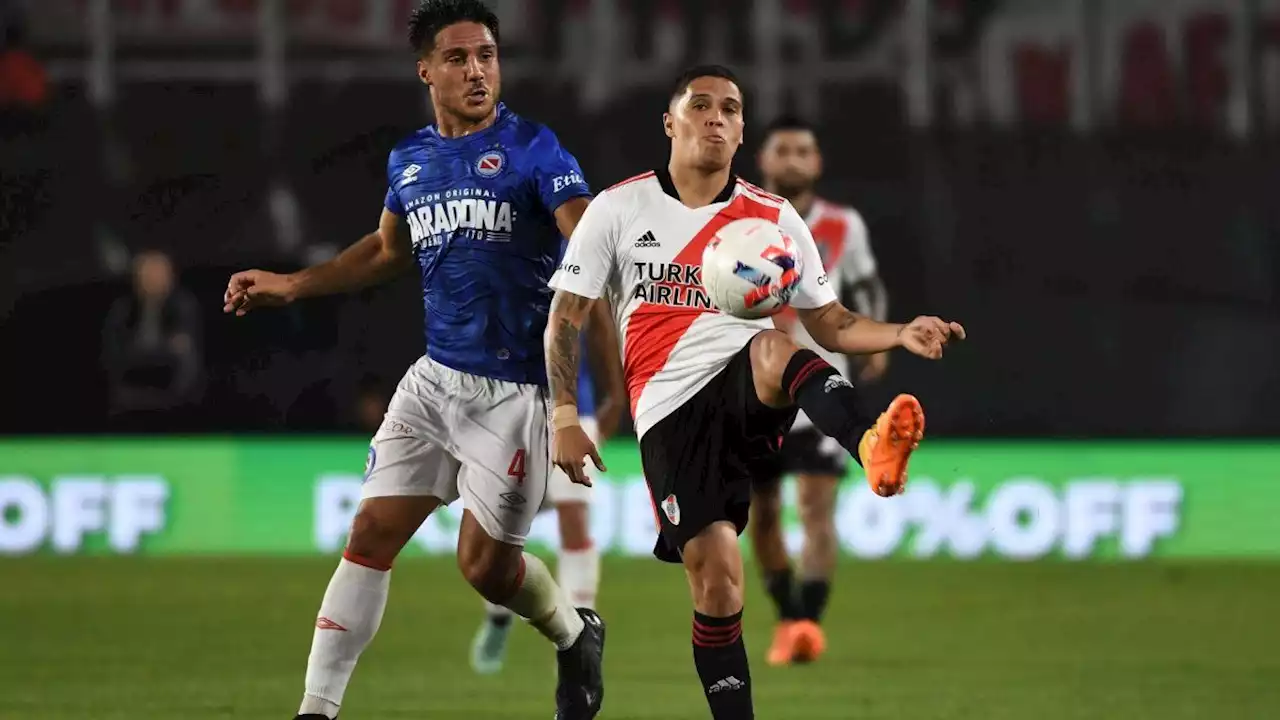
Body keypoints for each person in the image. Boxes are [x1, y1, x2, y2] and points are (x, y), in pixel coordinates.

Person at [222, 2, 619, 718]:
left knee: (485, 569)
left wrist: (570, 406)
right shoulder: (410, 159)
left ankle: (571, 634)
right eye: (460, 58)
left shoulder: (534, 148)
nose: (477, 71)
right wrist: (292, 284)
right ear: (426, 71)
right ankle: (316, 709)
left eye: (488, 56)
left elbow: (587, 251)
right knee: (369, 535)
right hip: (434, 381)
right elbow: (384, 251)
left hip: (514, 394)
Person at [544, 64, 965, 719]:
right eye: (701, 105)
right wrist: (564, 414)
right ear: (670, 122)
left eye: (731, 109)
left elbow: (832, 322)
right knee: (717, 585)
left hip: (741, 380)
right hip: (668, 413)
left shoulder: (772, 218)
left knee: (776, 347)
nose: (716, 117)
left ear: (741, 131)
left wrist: (899, 333)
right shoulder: (618, 208)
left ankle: (870, 441)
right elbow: (566, 315)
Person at [748, 114, 891, 666]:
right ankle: (786, 612)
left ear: (817, 162)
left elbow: (865, 284)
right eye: (782, 150)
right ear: (763, 160)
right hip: (754, 391)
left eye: (802, 150)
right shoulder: (739, 220)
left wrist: (876, 339)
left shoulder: (842, 224)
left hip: (818, 389)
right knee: (760, 515)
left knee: (815, 508)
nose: (792, 160)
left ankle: (806, 621)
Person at [471, 284, 627, 675]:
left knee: (575, 517)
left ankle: (578, 640)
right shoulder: (509, 248)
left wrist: (616, 396)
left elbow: (600, 323)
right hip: (512, 403)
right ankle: (498, 616)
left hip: (575, 405)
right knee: (504, 527)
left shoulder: (575, 248)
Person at [103, 250, 204, 428]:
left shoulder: (183, 306)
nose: (152, 280)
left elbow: (185, 353)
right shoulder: (123, 310)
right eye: (146, 275)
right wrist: (162, 350)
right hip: (130, 384)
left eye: (158, 274)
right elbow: (114, 354)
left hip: (171, 384)